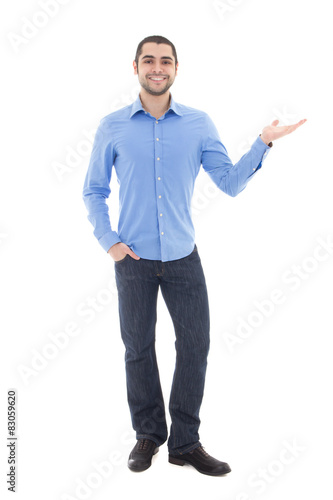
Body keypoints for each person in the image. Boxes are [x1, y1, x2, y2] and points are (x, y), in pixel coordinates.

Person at [82, 35, 306, 476]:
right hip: (133, 260)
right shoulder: (113, 126)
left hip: (184, 257)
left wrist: (263, 141)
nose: (157, 67)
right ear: (136, 68)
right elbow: (94, 189)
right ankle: (148, 434)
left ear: (176, 69)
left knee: (196, 345)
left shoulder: (199, 124)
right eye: (149, 60)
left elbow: (230, 182)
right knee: (138, 347)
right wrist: (109, 240)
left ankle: (185, 442)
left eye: (166, 60)